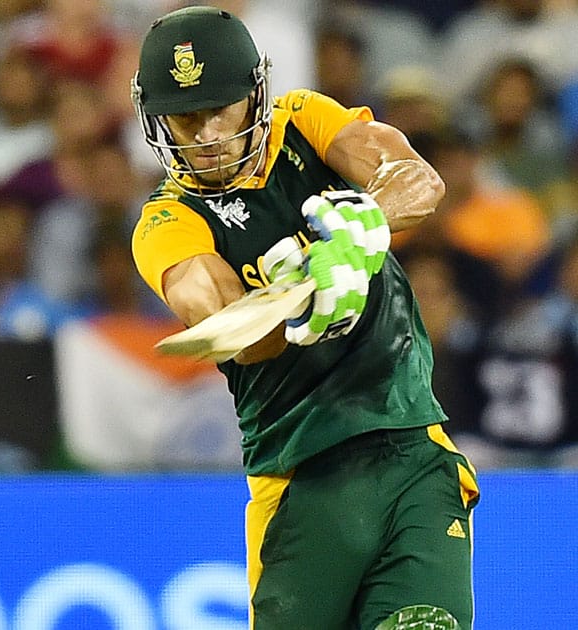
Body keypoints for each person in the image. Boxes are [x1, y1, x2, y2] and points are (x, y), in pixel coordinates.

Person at [129, 7, 478, 629]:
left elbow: (417, 180)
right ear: (158, 121)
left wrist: (364, 223)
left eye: (223, 108)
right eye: (187, 117)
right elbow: (233, 334)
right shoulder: (164, 224)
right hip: (298, 478)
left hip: (411, 447)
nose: (208, 134)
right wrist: (302, 297)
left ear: (256, 93)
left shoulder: (302, 120)